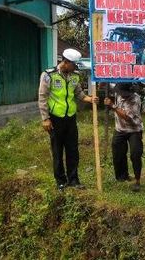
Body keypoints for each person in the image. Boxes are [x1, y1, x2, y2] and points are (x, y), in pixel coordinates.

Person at [38, 48, 98, 190]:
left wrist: (89, 99)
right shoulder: (48, 75)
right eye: (73, 65)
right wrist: (45, 118)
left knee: (72, 150)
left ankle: (73, 179)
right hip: (55, 119)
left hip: (70, 118)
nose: (75, 68)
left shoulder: (74, 76)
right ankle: (61, 181)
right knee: (58, 151)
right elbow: (42, 98)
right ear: (65, 62)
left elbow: (79, 93)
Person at [104, 83, 144, 192]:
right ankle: (122, 176)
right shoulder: (118, 92)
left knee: (135, 154)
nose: (123, 95)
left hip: (134, 129)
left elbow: (127, 117)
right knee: (118, 153)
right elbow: (107, 85)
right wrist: (102, 83)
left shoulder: (135, 99)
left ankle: (137, 180)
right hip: (120, 129)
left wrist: (112, 106)